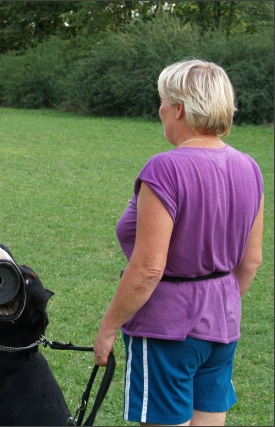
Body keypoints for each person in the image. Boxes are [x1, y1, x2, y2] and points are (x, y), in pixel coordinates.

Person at [93, 59, 264, 426]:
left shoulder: (165, 168)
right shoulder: (249, 167)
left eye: (163, 102)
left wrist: (108, 327)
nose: (160, 111)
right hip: (222, 322)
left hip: (165, 326)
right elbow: (251, 262)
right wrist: (219, 304)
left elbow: (149, 267)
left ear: (180, 109)